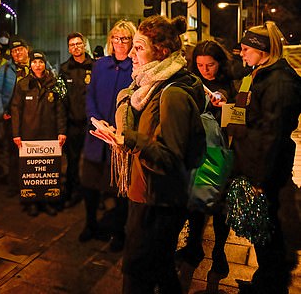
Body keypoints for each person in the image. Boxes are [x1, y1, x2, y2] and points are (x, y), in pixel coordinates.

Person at [90, 15, 206, 294]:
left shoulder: (173, 94)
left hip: (159, 201)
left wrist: (127, 139)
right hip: (145, 194)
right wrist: (119, 136)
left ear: (161, 51)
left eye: (139, 47)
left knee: (136, 272)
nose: (131, 53)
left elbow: (170, 159)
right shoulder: (147, 86)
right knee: (160, 270)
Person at [228, 22, 301, 294]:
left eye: (246, 49)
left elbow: (272, 136)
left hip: (266, 173)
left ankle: (270, 286)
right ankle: (264, 281)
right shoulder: (263, 74)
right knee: (263, 233)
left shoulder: (279, 83)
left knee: (270, 235)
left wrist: (260, 180)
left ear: (262, 50)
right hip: (257, 166)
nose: (242, 54)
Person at [175, 39, 237, 291]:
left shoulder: (228, 82)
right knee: (198, 202)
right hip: (198, 149)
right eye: (200, 65)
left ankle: (219, 252)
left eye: (209, 65)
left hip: (219, 151)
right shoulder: (192, 80)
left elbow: (228, 98)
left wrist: (221, 99)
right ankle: (194, 246)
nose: (205, 70)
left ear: (219, 64)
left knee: (218, 204)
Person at [80, 20, 136, 252]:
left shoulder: (136, 67)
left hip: (119, 139)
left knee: (119, 189)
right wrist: (95, 119)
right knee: (90, 184)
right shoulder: (100, 65)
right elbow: (90, 96)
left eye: (124, 38)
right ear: (110, 40)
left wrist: (119, 128)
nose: (119, 42)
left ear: (132, 41)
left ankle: (119, 231)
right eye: (116, 37)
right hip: (96, 135)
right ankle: (90, 223)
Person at [10, 50, 67, 217]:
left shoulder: (55, 82)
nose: (37, 65)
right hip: (29, 134)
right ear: (30, 64)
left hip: (49, 134)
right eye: (34, 62)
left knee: (48, 170)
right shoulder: (22, 84)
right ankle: (31, 202)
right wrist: (16, 133)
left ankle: (48, 201)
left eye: (40, 62)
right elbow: (15, 109)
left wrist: (61, 131)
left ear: (45, 64)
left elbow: (60, 109)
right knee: (31, 171)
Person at [0, 36, 31, 195]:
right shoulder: (5, 69)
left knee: (31, 151)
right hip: (12, 117)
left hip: (33, 116)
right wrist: (1, 113)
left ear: (27, 50)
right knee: (13, 152)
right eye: (14, 51)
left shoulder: (37, 63)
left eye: (20, 49)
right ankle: (14, 184)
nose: (17, 53)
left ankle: (31, 182)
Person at [59, 32, 94, 209]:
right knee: (72, 162)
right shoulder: (63, 69)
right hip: (73, 124)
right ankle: (72, 191)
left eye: (79, 44)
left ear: (84, 45)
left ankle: (93, 195)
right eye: (72, 44)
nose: (76, 47)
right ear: (68, 48)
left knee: (92, 162)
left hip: (92, 125)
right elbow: (61, 99)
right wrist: (62, 128)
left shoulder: (95, 66)